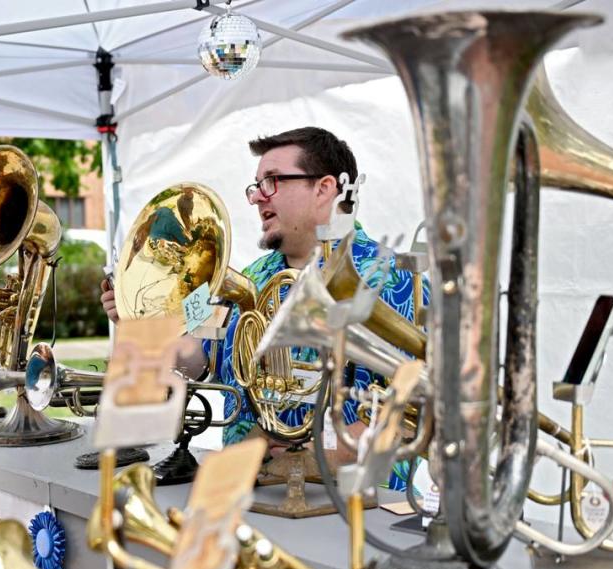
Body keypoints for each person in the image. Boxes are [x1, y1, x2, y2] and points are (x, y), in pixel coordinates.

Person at [100, 127, 426, 487]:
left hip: (353, 502)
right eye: (256, 185)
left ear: (324, 188)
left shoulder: (392, 277)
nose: (257, 197)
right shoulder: (249, 277)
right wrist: (145, 322)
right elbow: (198, 359)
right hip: (250, 492)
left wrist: (333, 453)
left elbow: (419, 399)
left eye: (272, 181)